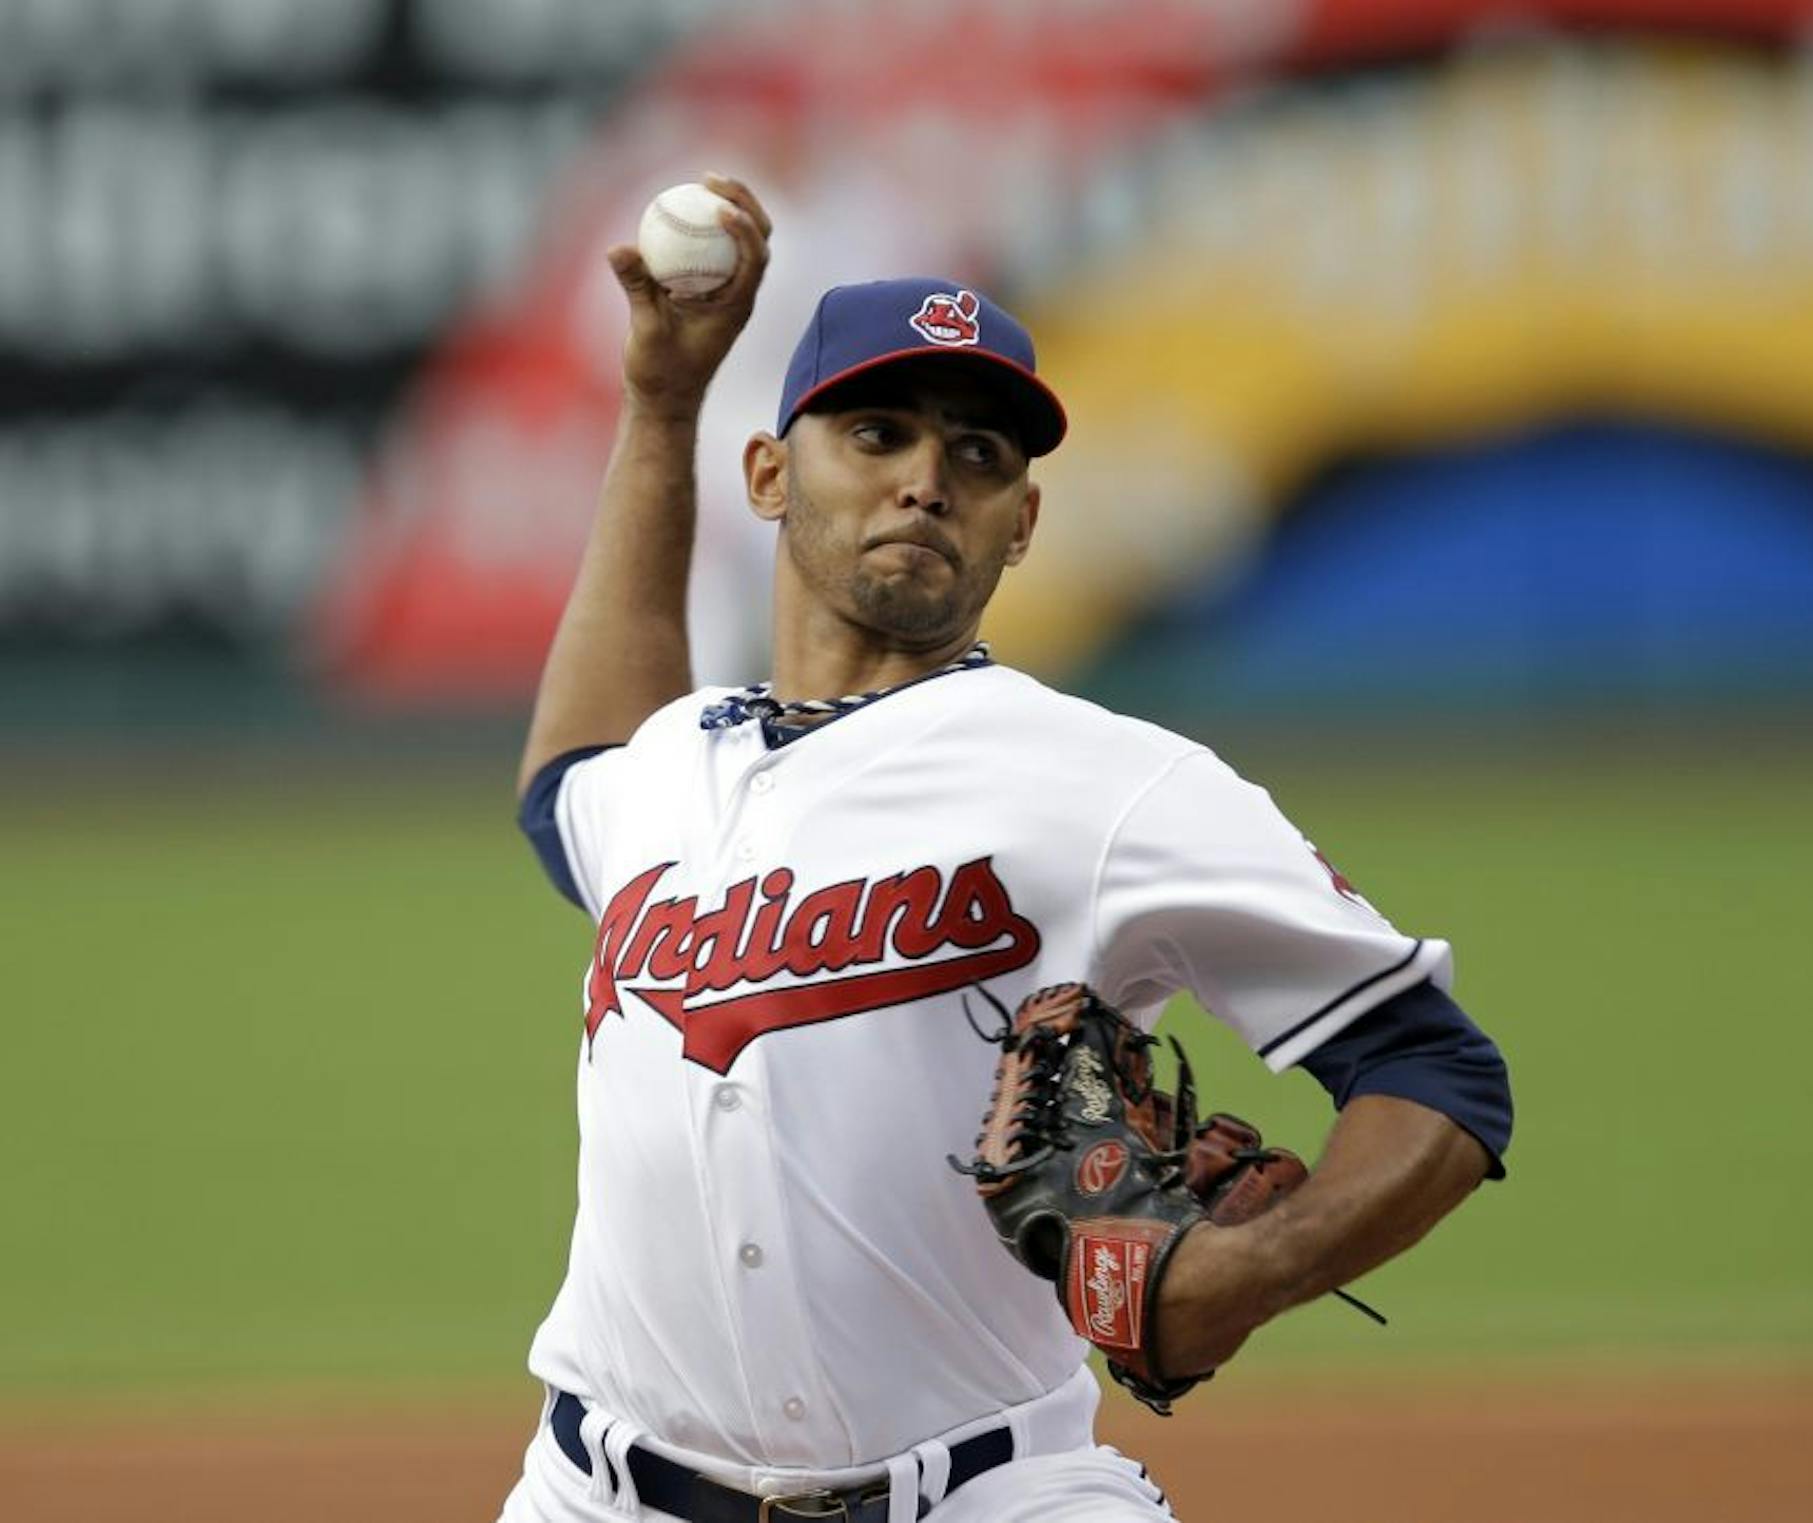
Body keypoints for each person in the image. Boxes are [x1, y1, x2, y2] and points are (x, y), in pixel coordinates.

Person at [500, 175, 1513, 1523]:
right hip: (601, 1493)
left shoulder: (1111, 785)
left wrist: (1251, 1275)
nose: (927, 478)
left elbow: (1434, 1066)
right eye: (877, 433)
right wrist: (662, 405)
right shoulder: (675, 763)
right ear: (766, 474)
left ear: (1020, 524)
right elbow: (569, 778)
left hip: (990, 1499)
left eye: (980, 457)